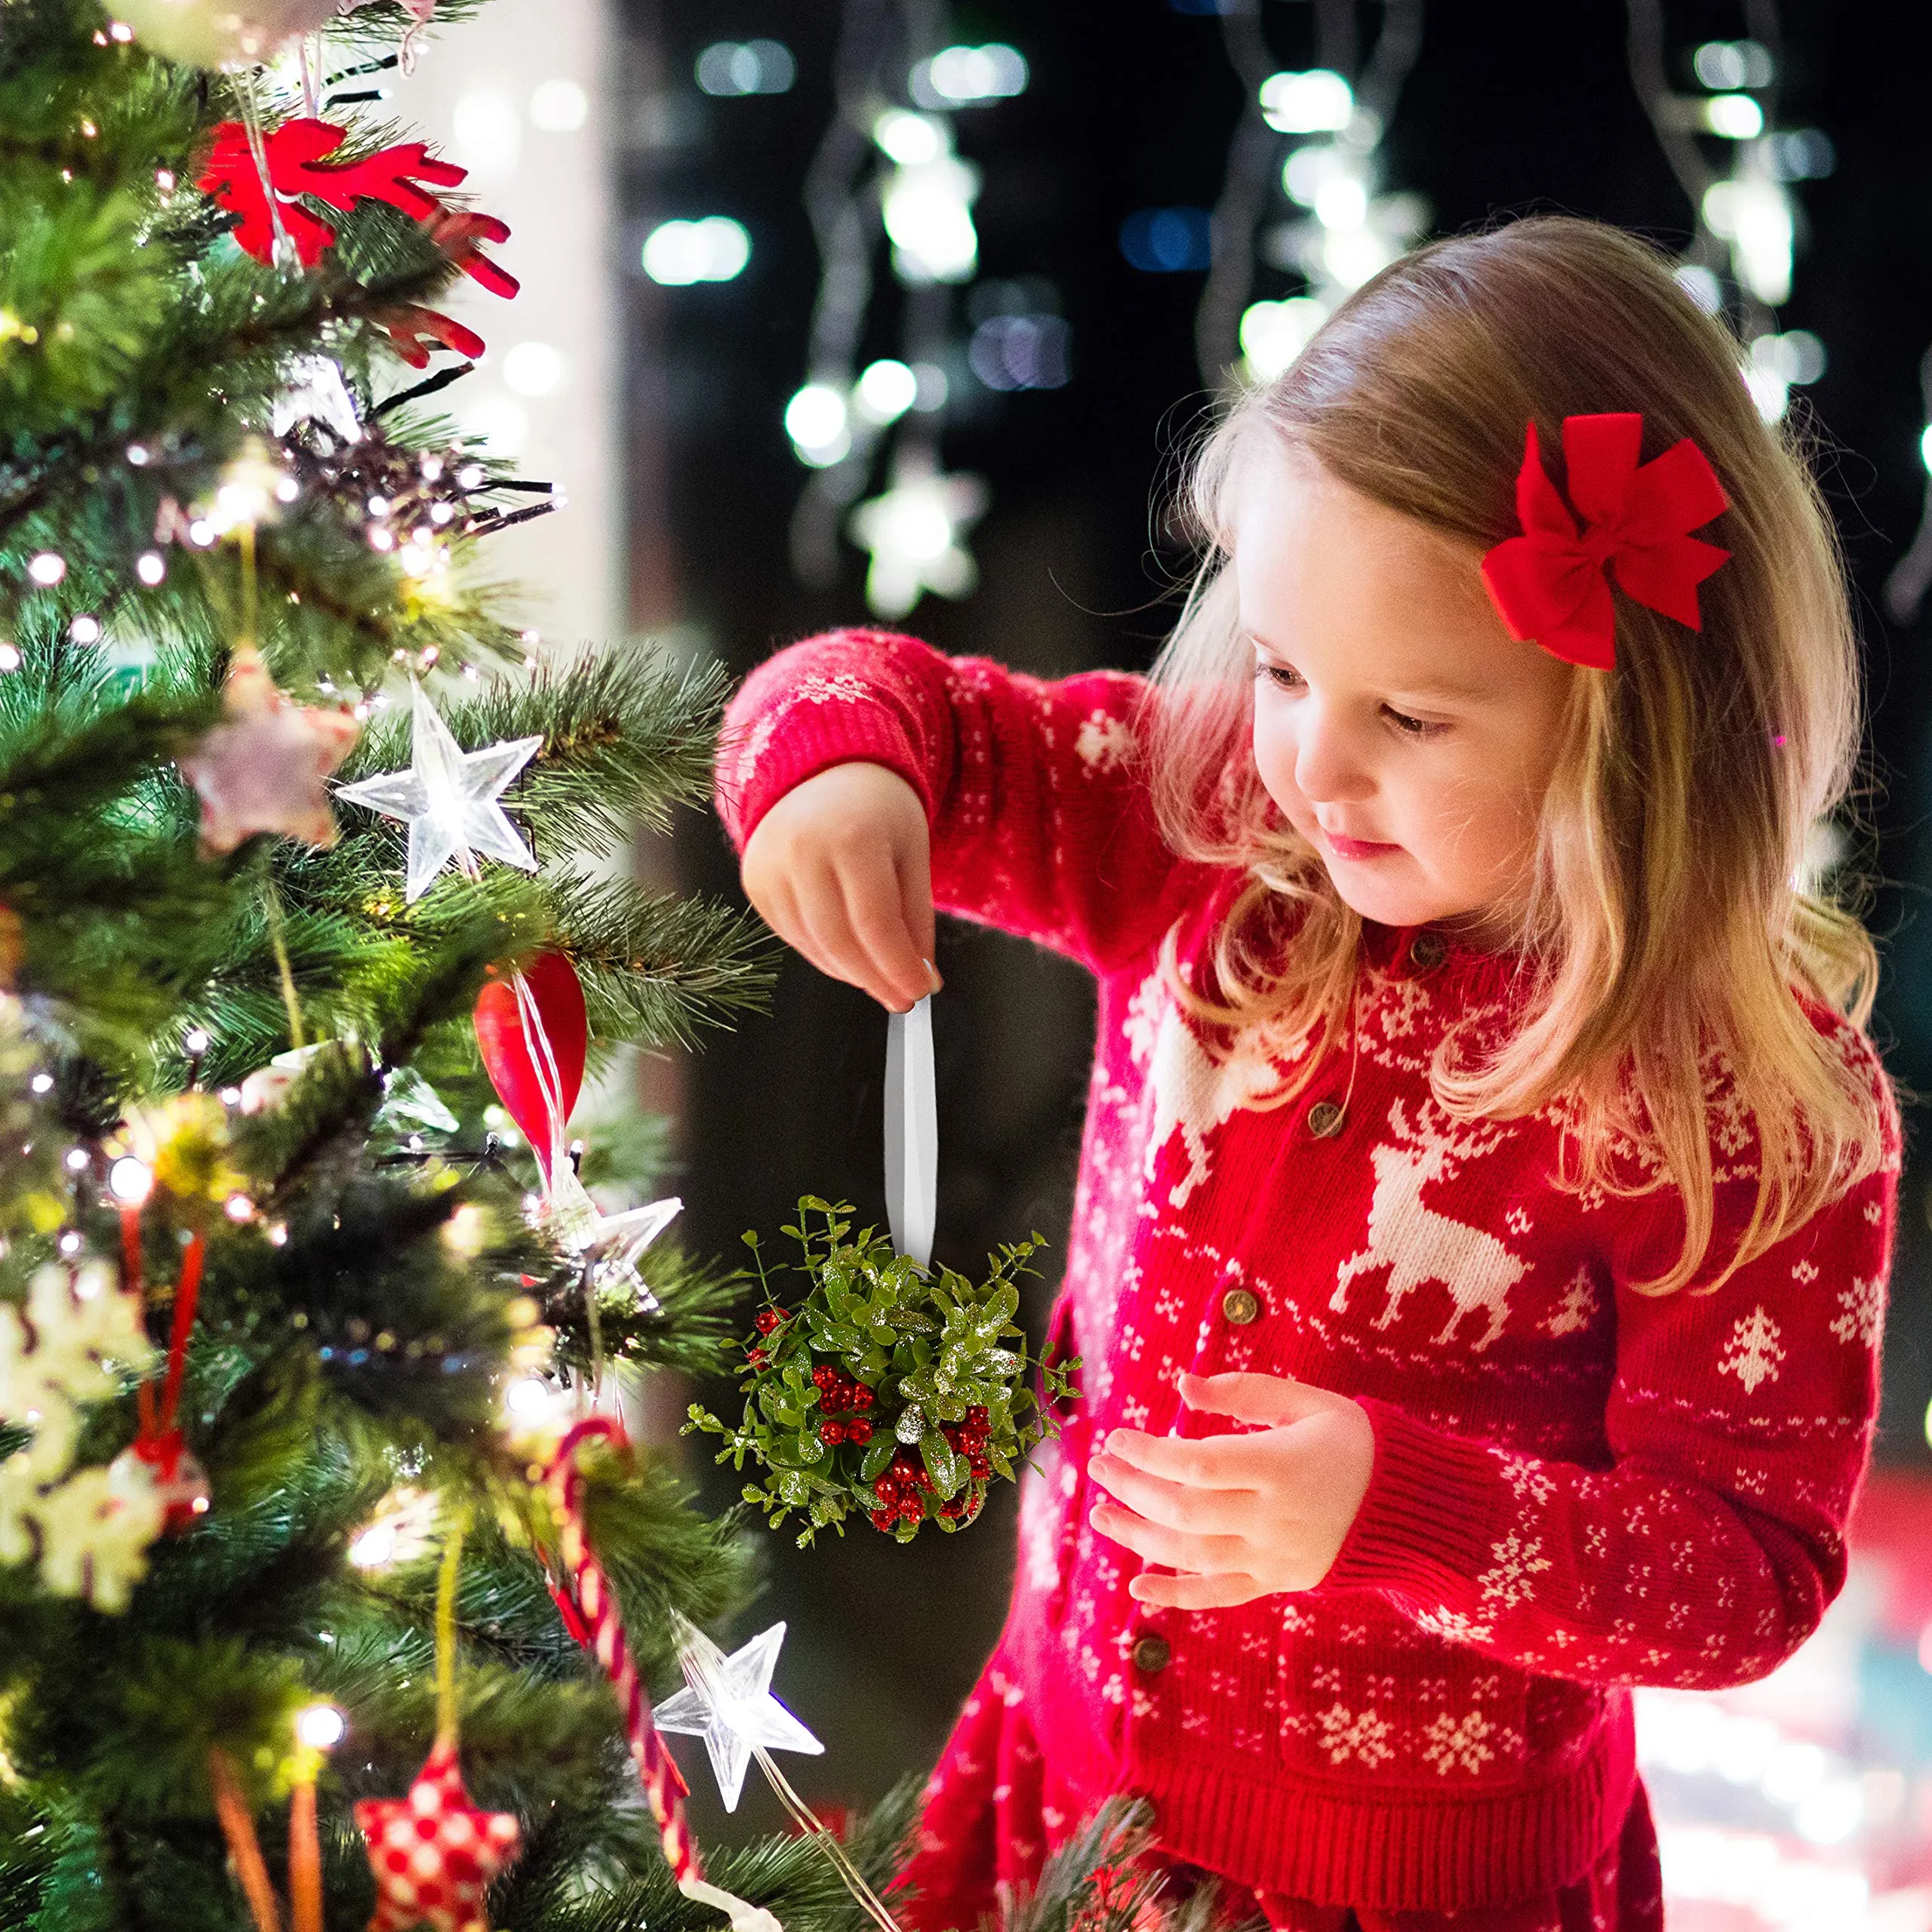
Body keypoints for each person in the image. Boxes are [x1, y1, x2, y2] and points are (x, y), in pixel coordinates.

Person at [711, 217, 1901, 1932]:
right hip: (1063, 1774)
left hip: (1408, 1883)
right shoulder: (1210, 830)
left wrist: (1391, 1510)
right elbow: (889, 702)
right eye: (1276, 668)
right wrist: (834, 772)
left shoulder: (1741, 1098)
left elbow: (1748, 1574)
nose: (1312, 763)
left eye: (1408, 717)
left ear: (1634, 717)